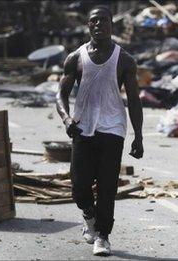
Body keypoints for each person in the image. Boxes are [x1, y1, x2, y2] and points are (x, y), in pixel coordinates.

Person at [56, 5, 144, 256]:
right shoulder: (76, 57)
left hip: (113, 128)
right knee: (79, 186)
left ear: (111, 25)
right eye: (93, 21)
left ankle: (103, 236)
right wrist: (66, 119)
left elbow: (135, 100)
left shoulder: (124, 59)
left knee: (107, 186)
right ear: (88, 26)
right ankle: (89, 216)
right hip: (82, 127)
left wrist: (138, 135)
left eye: (103, 21)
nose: (98, 25)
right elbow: (61, 92)